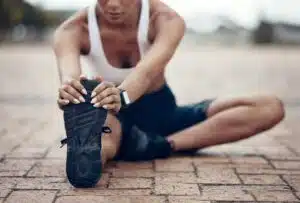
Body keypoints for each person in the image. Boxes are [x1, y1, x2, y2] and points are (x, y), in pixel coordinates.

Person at [53, 0, 285, 188]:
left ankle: (160, 145)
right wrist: (70, 91)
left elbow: (146, 71)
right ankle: (88, 158)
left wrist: (121, 95)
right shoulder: (72, 29)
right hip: (113, 116)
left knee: (269, 106)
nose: (113, 4)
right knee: (102, 136)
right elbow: (70, 75)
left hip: (162, 112)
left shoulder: (166, 20)